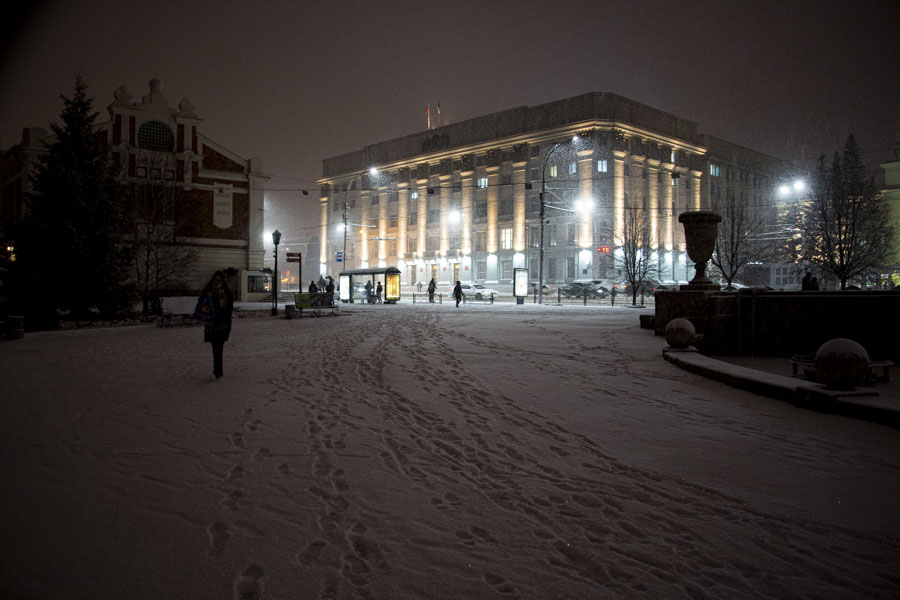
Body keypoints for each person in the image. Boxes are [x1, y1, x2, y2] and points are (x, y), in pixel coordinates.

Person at [200, 270, 234, 380]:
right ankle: (218, 371)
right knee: (216, 348)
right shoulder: (208, 289)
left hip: (221, 323)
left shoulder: (226, 292)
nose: (217, 282)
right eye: (215, 280)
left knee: (218, 347)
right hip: (212, 323)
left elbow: (228, 308)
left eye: (219, 280)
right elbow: (202, 302)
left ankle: (217, 371)